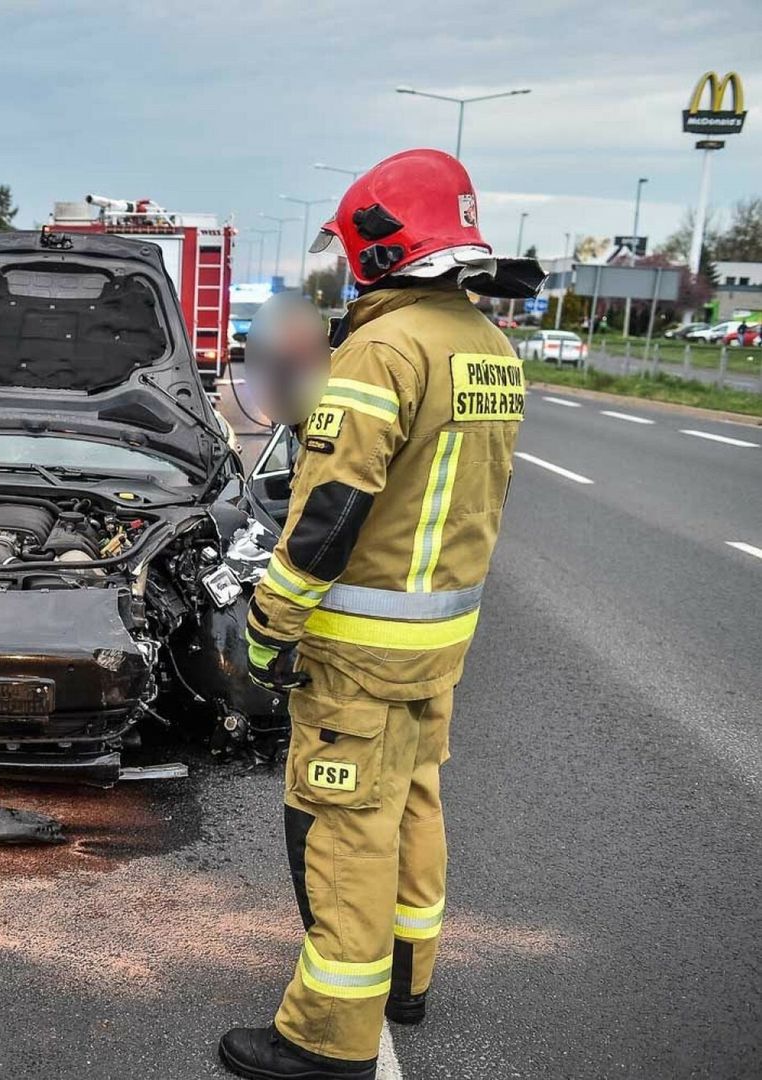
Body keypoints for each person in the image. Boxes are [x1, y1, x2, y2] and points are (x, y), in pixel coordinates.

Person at [220, 149, 543, 1080]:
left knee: (343, 822)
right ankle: (407, 977)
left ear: (382, 246)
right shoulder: (487, 346)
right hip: (437, 639)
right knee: (410, 801)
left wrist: (268, 626)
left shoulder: (384, 348)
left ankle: (328, 1037)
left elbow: (328, 512)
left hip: (360, 649)